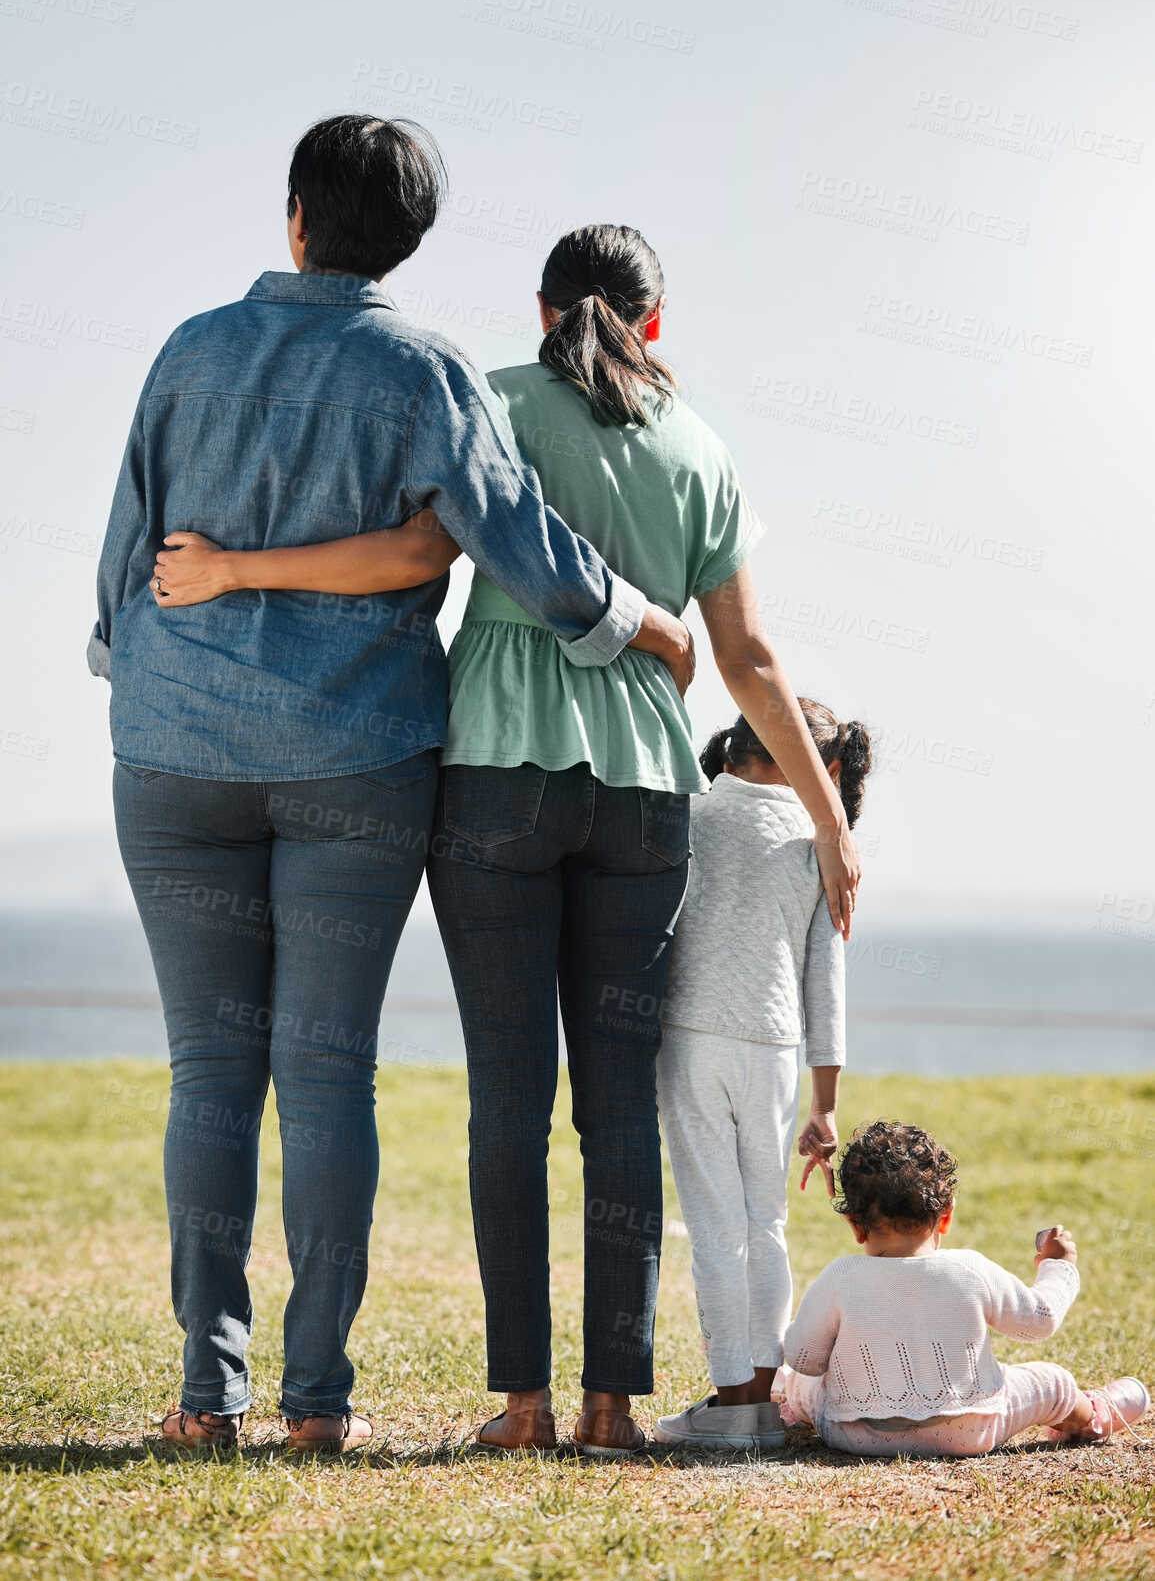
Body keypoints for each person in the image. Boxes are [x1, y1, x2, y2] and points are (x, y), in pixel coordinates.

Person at [153, 223, 862, 1455]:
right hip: (644, 789)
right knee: (619, 1111)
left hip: (493, 776)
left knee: (507, 1105)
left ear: (542, 310)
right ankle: (610, 1408)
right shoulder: (701, 449)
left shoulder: (492, 402)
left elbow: (419, 554)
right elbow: (747, 660)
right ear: (654, 321)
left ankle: (524, 1406)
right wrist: (830, 819)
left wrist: (235, 578)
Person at [89, 118, 693, 1455]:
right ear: (408, 238)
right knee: (323, 1075)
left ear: (294, 214)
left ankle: (207, 1391)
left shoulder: (189, 349)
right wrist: (637, 622)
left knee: (208, 1071)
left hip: (175, 750)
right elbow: (522, 550)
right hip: (358, 758)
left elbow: (126, 551)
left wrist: (138, 665)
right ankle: (313, 1405)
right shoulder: (423, 367)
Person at [652, 705, 872, 1451]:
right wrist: (826, 1105)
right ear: (826, 768)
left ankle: (730, 1404)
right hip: (777, 1053)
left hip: (689, 1040)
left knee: (715, 1227)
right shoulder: (824, 842)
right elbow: (825, 982)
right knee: (764, 1224)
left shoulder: (686, 806)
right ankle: (763, 1401)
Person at [777, 1120, 1151, 1456]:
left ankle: (784, 1403)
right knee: (1050, 1382)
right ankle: (1093, 1413)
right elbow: (1041, 1321)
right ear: (946, 1216)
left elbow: (803, 1357)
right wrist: (1058, 1266)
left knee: (802, 1384)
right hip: (971, 1429)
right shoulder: (969, 1268)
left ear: (855, 1225)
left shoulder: (841, 1276)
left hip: (857, 1435)